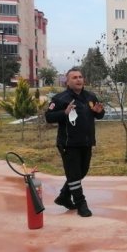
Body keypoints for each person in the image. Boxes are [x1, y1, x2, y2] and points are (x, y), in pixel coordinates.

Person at [46, 67, 105, 217]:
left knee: (81, 172)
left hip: (86, 142)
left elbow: (99, 115)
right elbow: (48, 117)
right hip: (68, 143)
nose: (78, 79)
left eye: (80, 77)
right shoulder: (60, 98)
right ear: (67, 81)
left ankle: (64, 196)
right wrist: (63, 113)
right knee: (74, 174)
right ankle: (81, 204)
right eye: (74, 78)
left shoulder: (90, 96)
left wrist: (99, 112)